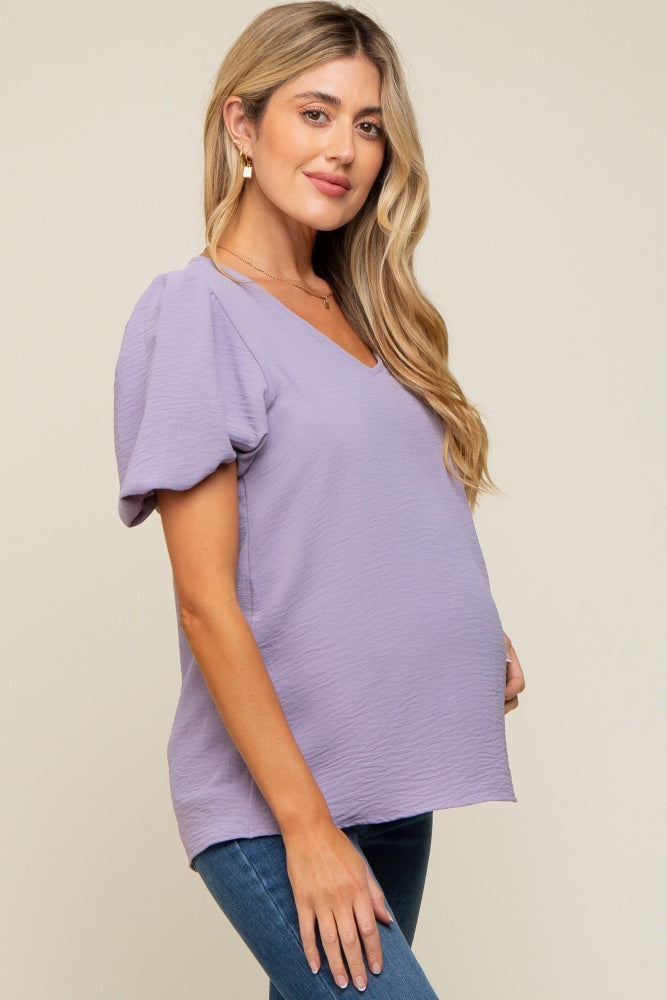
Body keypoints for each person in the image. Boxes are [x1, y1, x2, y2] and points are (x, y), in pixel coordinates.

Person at [113, 3, 526, 996]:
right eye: (315, 112)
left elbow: (369, 510)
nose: (345, 148)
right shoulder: (200, 312)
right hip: (277, 803)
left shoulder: (366, 312)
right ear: (241, 123)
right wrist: (304, 829)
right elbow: (204, 599)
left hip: (388, 778)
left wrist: (470, 631)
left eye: (369, 124)